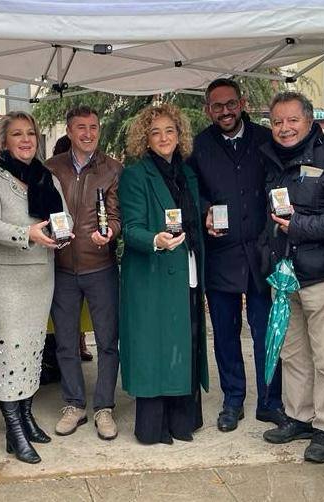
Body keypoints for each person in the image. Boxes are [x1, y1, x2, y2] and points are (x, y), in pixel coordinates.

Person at [189, 78, 284, 432]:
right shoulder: (199, 146)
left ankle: (270, 402)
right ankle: (233, 400)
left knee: (266, 332)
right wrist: (204, 210)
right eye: (217, 106)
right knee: (226, 334)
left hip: (261, 253)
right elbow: (189, 191)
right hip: (220, 256)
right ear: (207, 110)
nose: (225, 111)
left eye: (230, 104)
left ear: (241, 103)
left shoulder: (265, 138)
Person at [0, 111, 69, 464]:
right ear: (4, 142)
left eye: (30, 133)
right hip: (7, 282)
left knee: (31, 353)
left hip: (41, 279)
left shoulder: (47, 178)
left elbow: (63, 217)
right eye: (17, 134)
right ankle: (13, 430)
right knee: (10, 354)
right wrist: (25, 234)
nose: (26, 139)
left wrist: (63, 231)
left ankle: (26, 417)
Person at [259, 91, 324, 464]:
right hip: (284, 275)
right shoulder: (272, 159)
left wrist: (300, 226)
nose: (284, 128)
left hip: (323, 276)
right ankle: (299, 417)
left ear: (310, 121)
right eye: (277, 122)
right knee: (293, 353)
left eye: (292, 120)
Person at [118, 103, 208, 445]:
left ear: (179, 134)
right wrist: (154, 240)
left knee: (185, 342)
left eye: (170, 131)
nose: (164, 137)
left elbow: (194, 220)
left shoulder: (187, 174)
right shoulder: (135, 175)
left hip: (186, 270)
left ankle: (183, 422)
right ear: (145, 139)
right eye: (155, 132)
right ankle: (154, 428)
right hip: (154, 276)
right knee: (156, 348)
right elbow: (131, 228)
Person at [45, 106, 122, 440]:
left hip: (100, 267)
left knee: (107, 342)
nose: (88, 133)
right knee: (65, 342)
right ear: (69, 130)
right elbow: (40, 210)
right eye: (81, 128)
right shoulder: (51, 168)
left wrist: (111, 233)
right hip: (61, 269)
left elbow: (117, 216)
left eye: (93, 127)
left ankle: (104, 407)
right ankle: (74, 404)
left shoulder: (113, 169)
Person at [49, 133, 93, 362]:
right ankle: (75, 345)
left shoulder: (104, 168)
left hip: (91, 259)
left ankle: (80, 342)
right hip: (60, 260)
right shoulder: (50, 173)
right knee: (65, 320)